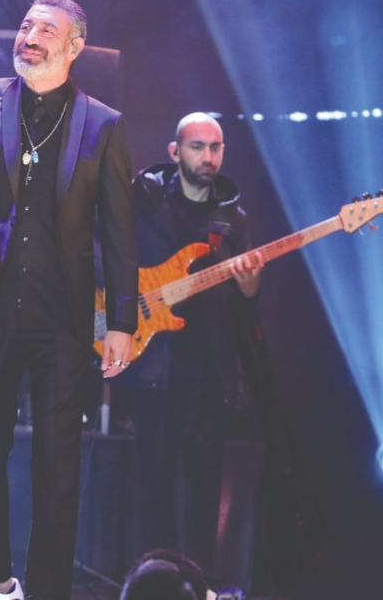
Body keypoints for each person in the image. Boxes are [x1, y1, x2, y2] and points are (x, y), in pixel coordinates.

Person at [0, 0, 138, 600]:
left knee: (57, 466)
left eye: (46, 29)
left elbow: (118, 231)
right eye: (25, 26)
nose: (30, 36)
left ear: (74, 47)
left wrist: (121, 321)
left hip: (63, 315)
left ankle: (47, 591)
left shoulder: (103, 123)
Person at [114, 113, 263, 574]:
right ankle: (154, 579)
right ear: (175, 152)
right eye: (198, 147)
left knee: (203, 486)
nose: (208, 157)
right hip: (153, 362)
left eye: (215, 148)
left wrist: (249, 287)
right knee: (153, 483)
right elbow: (103, 252)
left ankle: (199, 584)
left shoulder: (232, 219)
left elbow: (243, 306)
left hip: (206, 370)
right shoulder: (143, 200)